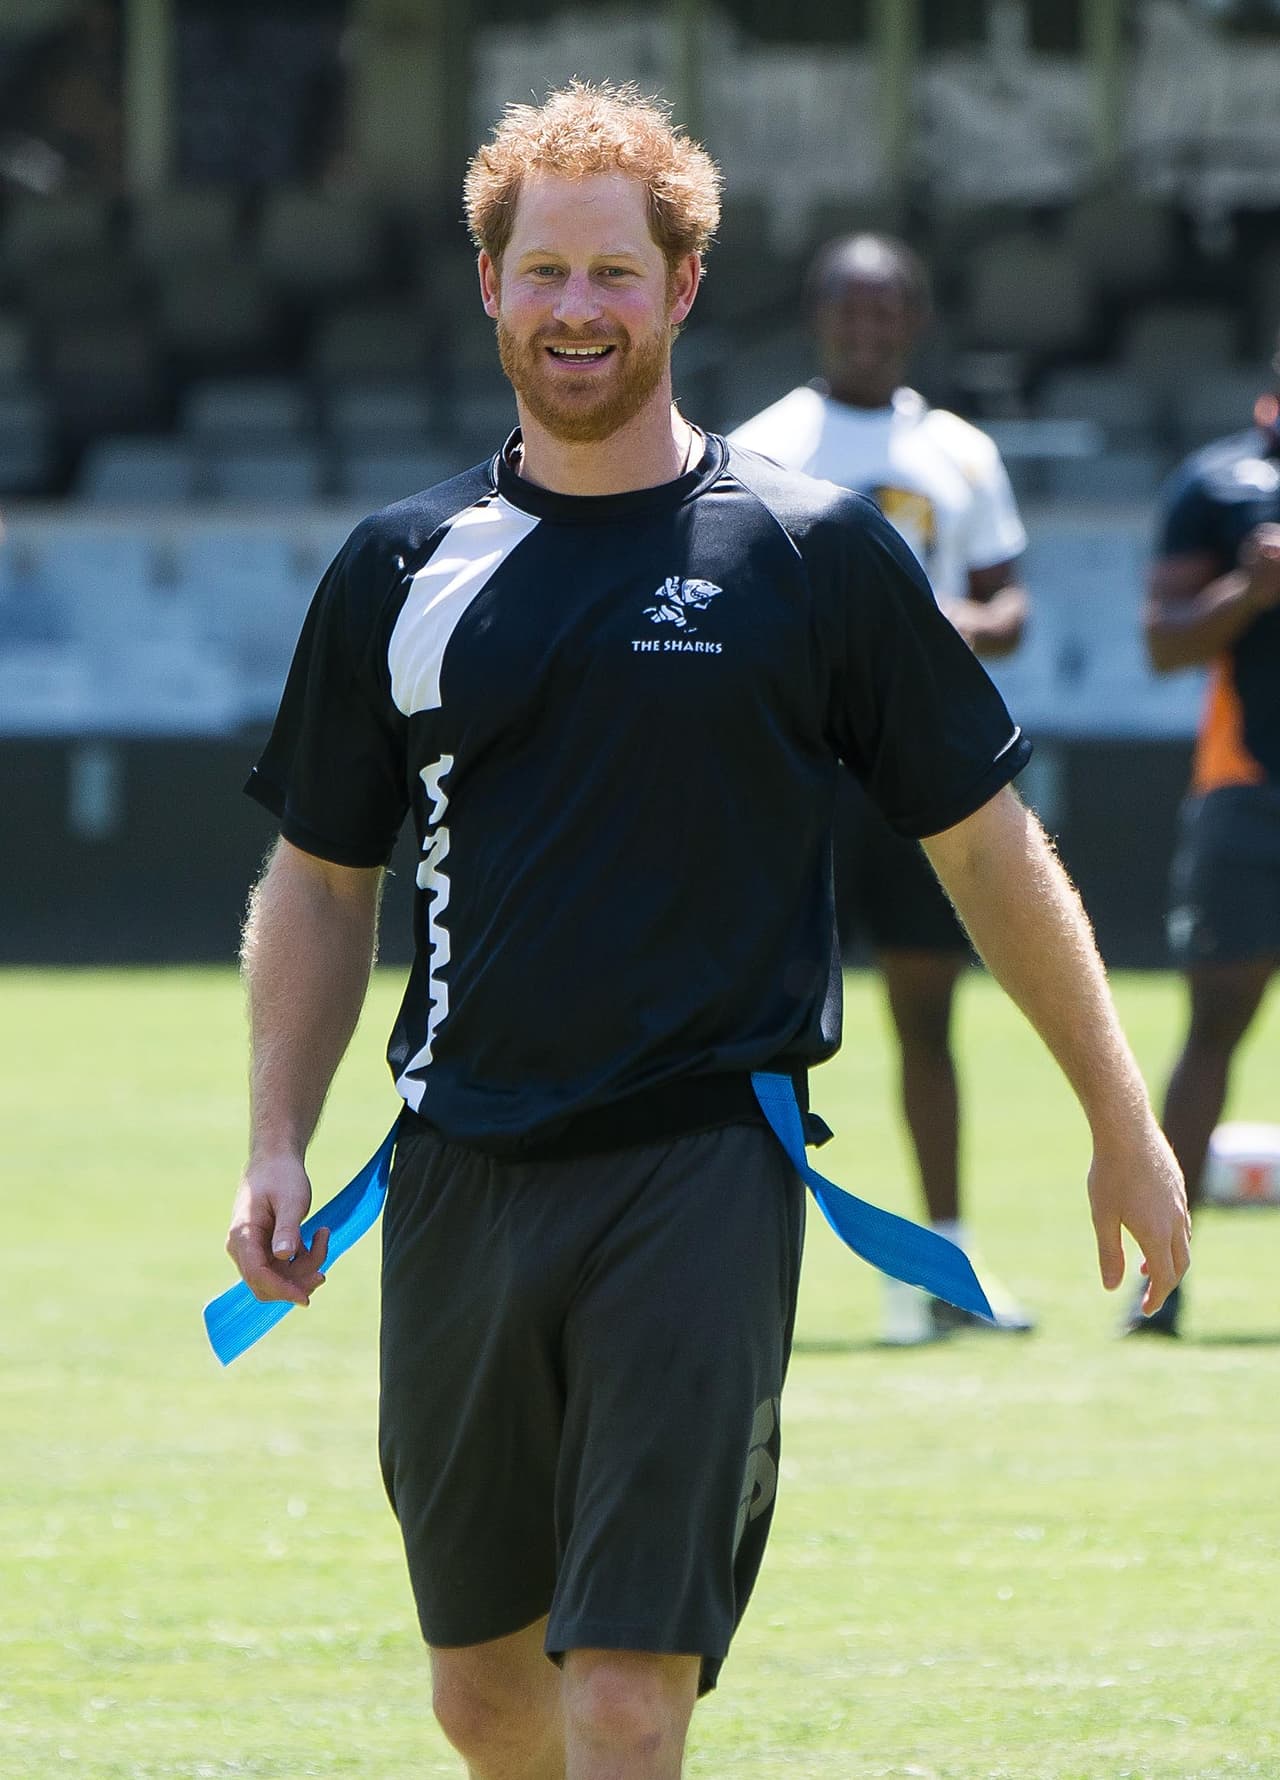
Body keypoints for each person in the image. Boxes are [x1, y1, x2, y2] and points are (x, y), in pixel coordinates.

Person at [222, 83, 1188, 1780]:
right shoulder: (398, 568)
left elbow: (986, 847)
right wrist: (277, 1140)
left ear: (681, 288)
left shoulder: (811, 556)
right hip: (456, 1172)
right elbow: (320, 876)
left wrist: (1122, 1125)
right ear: (491, 289)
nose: (578, 310)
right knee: (484, 1694)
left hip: (700, 1174)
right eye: (546, 274)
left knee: (621, 1692)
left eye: (615, 273)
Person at [729, 234, 1033, 1344]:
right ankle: (738, 1269)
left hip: (918, 777)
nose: (866, 328)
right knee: (762, 1029)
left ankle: (939, 1266)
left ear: (914, 320)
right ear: (817, 318)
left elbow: (1008, 607)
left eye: (886, 310)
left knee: (924, 1020)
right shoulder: (764, 444)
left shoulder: (956, 450)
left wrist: (937, 624)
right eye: (847, 311)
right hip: (797, 777)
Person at [1133, 338, 1280, 1337]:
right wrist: (1250, 590)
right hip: (1247, 793)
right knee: (1210, 1030)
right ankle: (1160, 1283)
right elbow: (1160, 640)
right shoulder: (1219, 484)